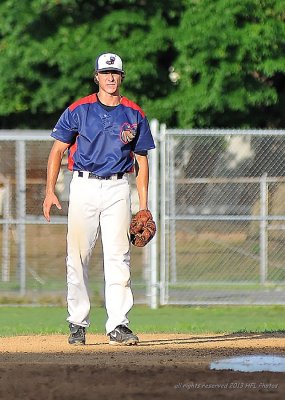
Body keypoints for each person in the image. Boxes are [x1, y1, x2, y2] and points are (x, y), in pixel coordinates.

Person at [43, 52, 155, 346]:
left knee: (119, 256)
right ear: (96, 77)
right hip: (83, 186)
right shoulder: (79, 110)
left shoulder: (134, 113)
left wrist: (143, 205)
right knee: (78, 256)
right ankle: (78, 324)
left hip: (119, 188)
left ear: (121, 77)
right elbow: (57, 151)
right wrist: (49, 190)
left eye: (115, 72)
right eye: (105, 72)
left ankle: (118, 325)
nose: (110, 77)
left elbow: (142, 162)